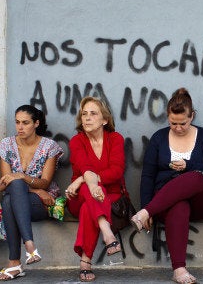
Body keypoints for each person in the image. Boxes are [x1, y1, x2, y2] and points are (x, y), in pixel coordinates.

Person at [130, 88, 203, 284]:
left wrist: (189, 166)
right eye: (173, 123)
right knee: (179, 205)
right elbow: (148, 175)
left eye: (183, 123)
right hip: (165, 202)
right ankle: (179, 270)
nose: (178, 128)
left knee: (196, 178)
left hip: (201, 202)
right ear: (167, 117)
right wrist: (147, 203)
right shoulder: (158, 138)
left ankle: (145, 213)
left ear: (192, 116)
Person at [0, 105, 64, 281]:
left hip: (40, 203)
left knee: (12, 193)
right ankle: (29, 245)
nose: (20, 127)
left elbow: (46, 183)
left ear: (36, 123)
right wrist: (35, 188)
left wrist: (25, 179)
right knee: (11, 195)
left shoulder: (49, 146)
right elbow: (6, 181)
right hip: (22, 195)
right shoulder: (6, 144)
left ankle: (14, 263)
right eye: (17, 122)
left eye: (25, 123)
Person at [64, 97, 125, 282]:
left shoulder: (115, 139)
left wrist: (83, 179)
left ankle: (85, 262)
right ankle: (107, 232)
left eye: (93, 113)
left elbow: (116, 171)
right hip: (78, 196)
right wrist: (88, 181)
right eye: (84, 114)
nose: (87, 118)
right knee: (88, 192)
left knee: (88, 206)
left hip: (110, 196)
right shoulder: (76, 141)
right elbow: (85, 166)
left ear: (104, 120)